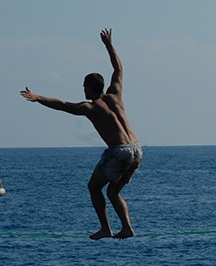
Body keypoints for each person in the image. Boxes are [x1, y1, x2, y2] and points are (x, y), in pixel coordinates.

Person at [21, 28, 142, 240]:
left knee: (93, 187)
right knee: (113, 192)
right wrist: (109, 45)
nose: (83, 90)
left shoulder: (91, 107)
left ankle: (106, 228)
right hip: (137, 149)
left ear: (88, 87)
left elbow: (62, 105)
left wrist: (38, 97)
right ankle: (127, 228)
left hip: (119, 151)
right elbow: (118, 69)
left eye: (84, 87)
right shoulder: (116, 95)